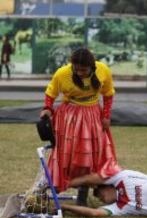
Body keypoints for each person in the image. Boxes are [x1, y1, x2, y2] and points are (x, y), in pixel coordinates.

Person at [39, 47, 120, 206]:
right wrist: (47, 109)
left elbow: (108, 94)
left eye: (84, 70)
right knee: (66, 156)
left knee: (89, 158)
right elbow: (51, 93)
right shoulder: (62, 73)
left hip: (93, 117)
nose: (80, 73)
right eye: (77, 69)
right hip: (70, 119)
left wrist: (106, 116)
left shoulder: (102, 70)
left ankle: (82, 195)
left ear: (92, 66)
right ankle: (47, 189)